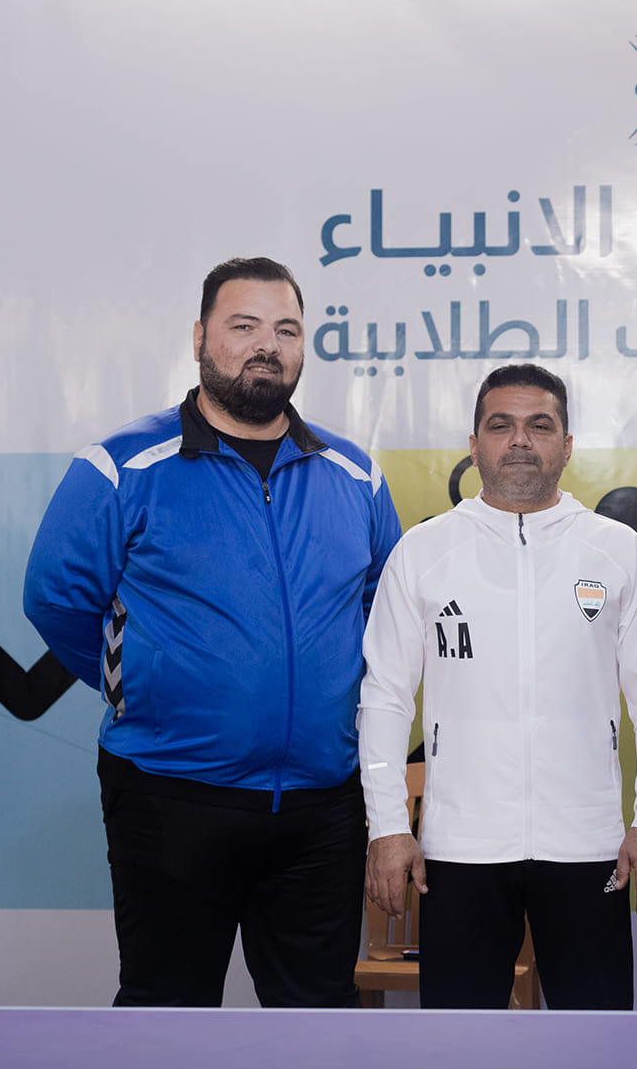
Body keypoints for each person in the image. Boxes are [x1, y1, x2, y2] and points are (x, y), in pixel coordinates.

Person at [24, 256, 402, 1007]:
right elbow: (57, 600)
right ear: (200, 337)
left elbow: (384, 613)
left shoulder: (355, 475)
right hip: (169, 796)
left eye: (286, 329)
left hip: (322, 806)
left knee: (318, 1019)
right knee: (166, 1011)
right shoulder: (123, 466)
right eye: (244, 326)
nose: (268, 345)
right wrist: (143, 685)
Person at [358, 364, 637, 1010]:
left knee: (595, 1046)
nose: (519, 440)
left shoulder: (618, 552)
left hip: (588, 846)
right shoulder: (423, 552)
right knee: (458, 1051)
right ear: (474, 443)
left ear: (567, 445)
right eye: (500, 425)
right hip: (459, 850)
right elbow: (384, 699)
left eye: (540, 425)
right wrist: (387, 828)